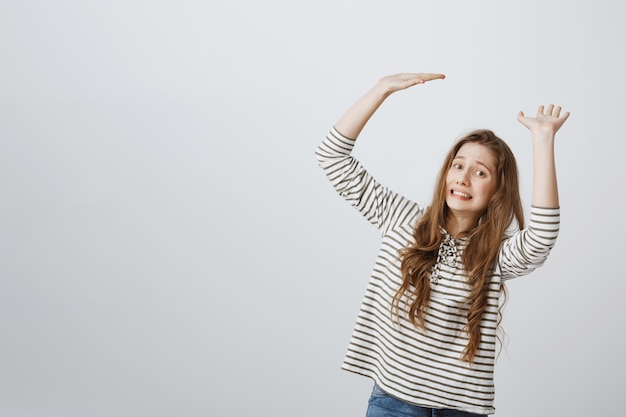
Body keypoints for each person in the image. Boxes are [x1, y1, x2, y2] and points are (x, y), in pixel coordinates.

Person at [315, 73, 570, 417]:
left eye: (480, 173)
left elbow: (542, 236)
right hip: (393, 402)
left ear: (497, 190)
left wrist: (543, 140)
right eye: (458, 165)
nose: (463, 178)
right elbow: (333, 159)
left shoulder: (494, 254)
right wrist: (382, 90)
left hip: (461, 410)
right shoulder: (402, 219)